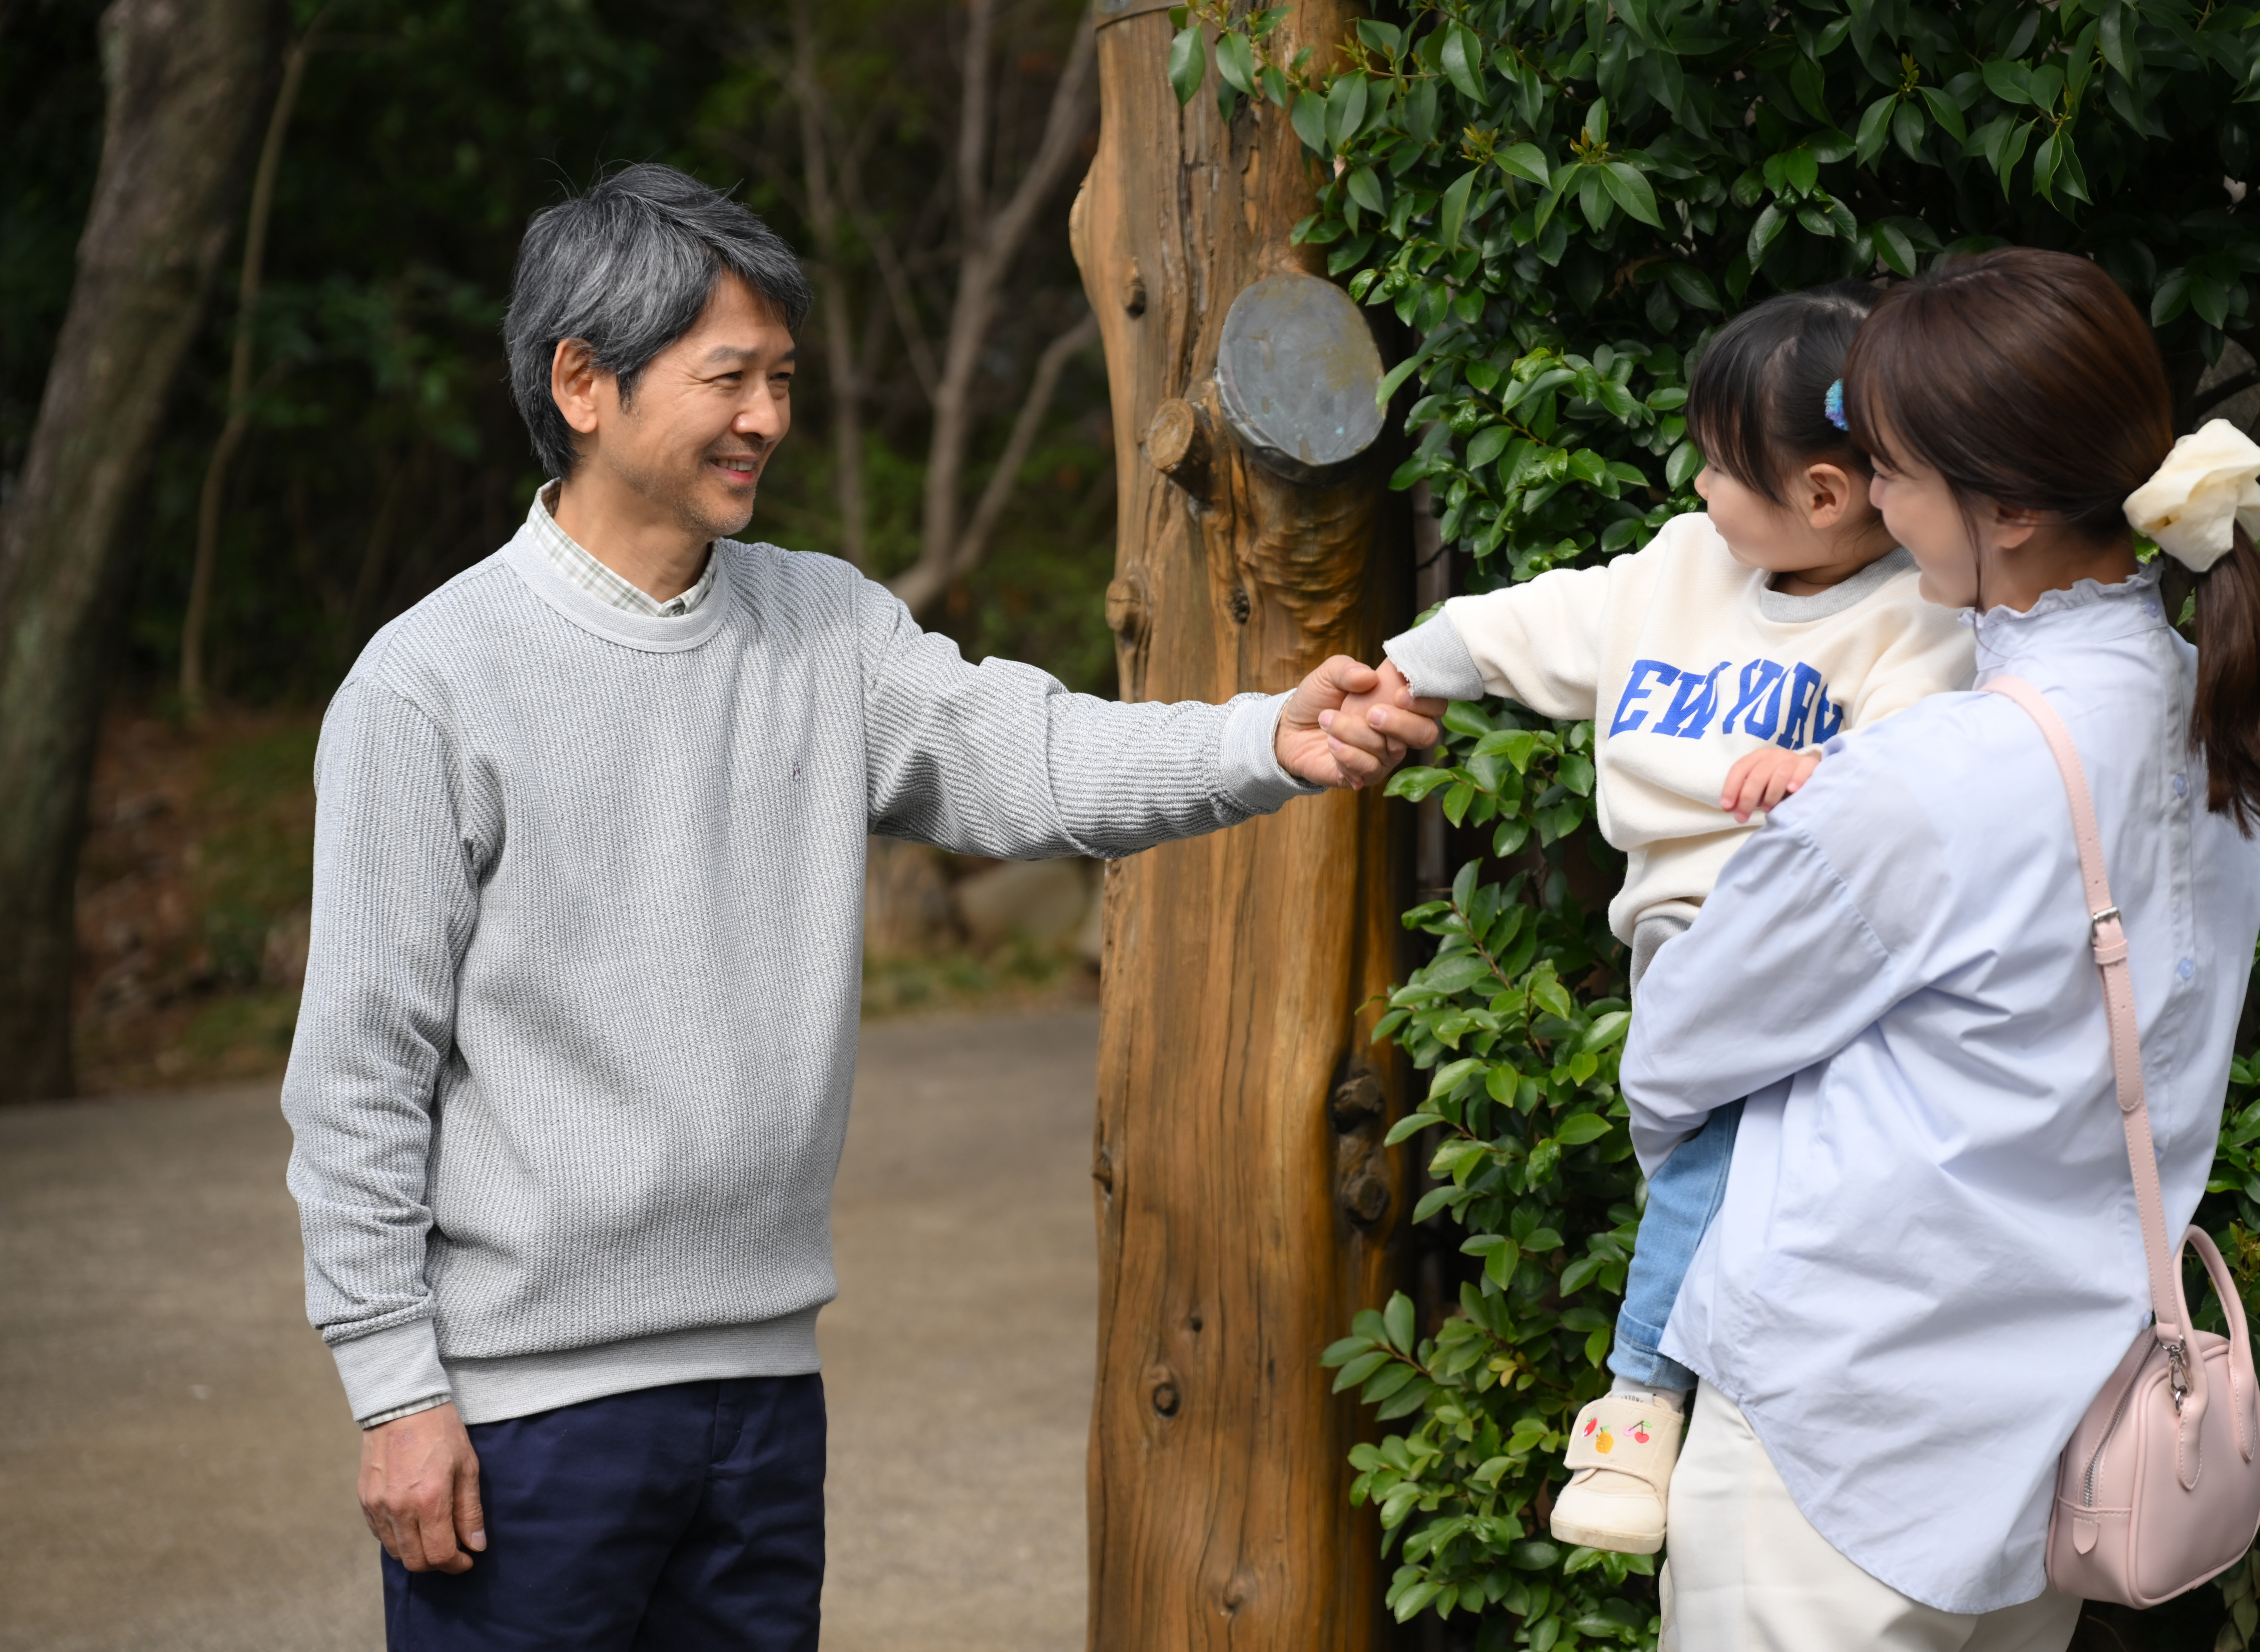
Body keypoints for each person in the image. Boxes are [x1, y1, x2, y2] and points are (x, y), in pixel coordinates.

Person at [280, 162, 1440, 1650]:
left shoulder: (824, 625)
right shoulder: (427, 686)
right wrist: (395, 1390)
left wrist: (1263, 738)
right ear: (582, 383)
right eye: (728, 378)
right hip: (526, 1418)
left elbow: (1035, 757)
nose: (768, 417)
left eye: (782, 378)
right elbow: (360, 1074)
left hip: (762, 1396)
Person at [1624, 247, 2260, 1646]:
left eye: (1892, 470)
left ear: (2006, 507)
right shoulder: (2206, 722)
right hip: (2051, 1444)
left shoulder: (1928, 777)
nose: (1873, 500)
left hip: (1834, 1433)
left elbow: (1677, 1048)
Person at [1360, 284, 1976, 1553]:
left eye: (1720, 466)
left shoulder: (1918, 611)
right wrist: (1414, 664)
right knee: (1719, 1178)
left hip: (1822, 950)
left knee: (1729, 1173)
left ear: (1823, 494)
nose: (1696, 487)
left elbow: (1934, 759)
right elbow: (1551, 616)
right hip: (1689, 946)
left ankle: (1639, 1400)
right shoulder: (1687, 568)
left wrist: (1830, 769)